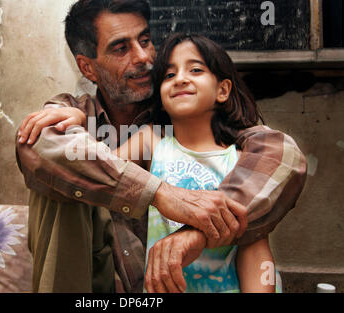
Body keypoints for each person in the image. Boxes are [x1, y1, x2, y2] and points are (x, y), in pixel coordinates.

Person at [15, 0, 307, 293]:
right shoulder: (75, 114)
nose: (143, 57)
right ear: (87, 67)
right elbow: (36, 147)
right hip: (100, 287)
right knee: (58, 183)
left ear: (222, 90)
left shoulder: (188, 114)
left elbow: (282, 155)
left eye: (145, 40)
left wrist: (196, 233)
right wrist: (161, 194)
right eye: (121, 48)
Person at [113, 32, 285, 292]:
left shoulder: (242, 161)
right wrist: (73, 118)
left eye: (195, 70)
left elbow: (254, 249)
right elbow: (104, 171)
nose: (180, 79)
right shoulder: (150, 142)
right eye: (169, 75)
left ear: (223, 90)